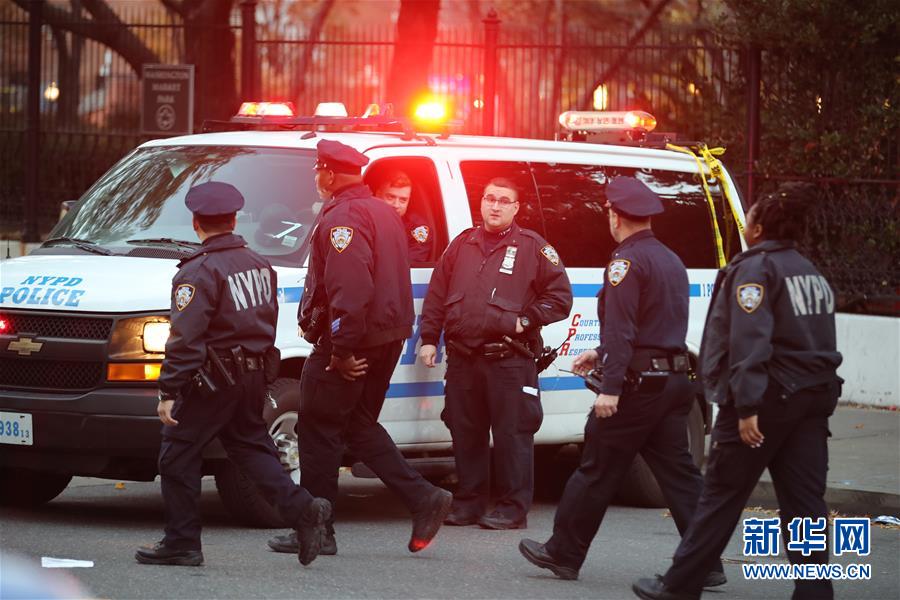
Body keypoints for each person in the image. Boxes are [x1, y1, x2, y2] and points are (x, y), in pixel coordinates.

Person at [632, 184, 843, 600]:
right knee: (804, 504)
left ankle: (679, 586)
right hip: (810, 401)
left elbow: (750, 342)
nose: (744, 221)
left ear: (758, 227)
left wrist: (746, 407)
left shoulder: (756, 269)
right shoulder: (809, 271)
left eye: (749, 216)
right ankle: (815, 592)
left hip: (763, 402)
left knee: (720, 497)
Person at [518, 177, 726, 586]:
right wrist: (603, 354)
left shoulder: (624, 262)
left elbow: (625, 328)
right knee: (681, 475)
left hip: (637, 387)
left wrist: (610, 386)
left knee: (595, 469)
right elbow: (656, 324)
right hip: (673, 381)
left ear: (616, 216)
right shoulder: (670, 259)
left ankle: (563, 552)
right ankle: (708, 562)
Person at [267, 139, 452, 558]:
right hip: (383, 337)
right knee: (356, 424)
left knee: (318, 428)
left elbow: (351, 288)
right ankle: (424, 498)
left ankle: (316, 530)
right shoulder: (382, 211)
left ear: (329, 175)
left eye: (318, 171)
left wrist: (341, 349)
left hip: (353, 340)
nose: (316, 178)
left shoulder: (345, 215)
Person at [135, 181, 331, 568]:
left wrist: (169, 390)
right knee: (251, 448)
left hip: (213, 379)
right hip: (253, 375)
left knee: (177, 455)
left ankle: (182, 542)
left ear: (196, 223)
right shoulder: (259, 264)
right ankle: (304, 509)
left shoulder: (198, 271)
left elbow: (186, 338)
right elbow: (267, 321)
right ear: (234, 219)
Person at [418, 177, 573, 530]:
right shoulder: (461, 245)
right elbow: (438, 295)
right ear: (482, 203)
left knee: (512, 435)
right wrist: (430, 339)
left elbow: (560, 297)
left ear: (516, 208)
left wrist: (526, 320)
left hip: (509, 360)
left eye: (504, 200)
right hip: (463, 359)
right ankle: (469, 502)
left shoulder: (533, 246)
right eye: (490, 198)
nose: (495, 206)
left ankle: (511, 508)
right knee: (465, 432)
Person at [373, 169, 434, 262]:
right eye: (390, 197)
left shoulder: (417, 229)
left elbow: (406, 266)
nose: (396, 205)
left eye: (403, 200)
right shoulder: (365, 221)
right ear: (378, 195)